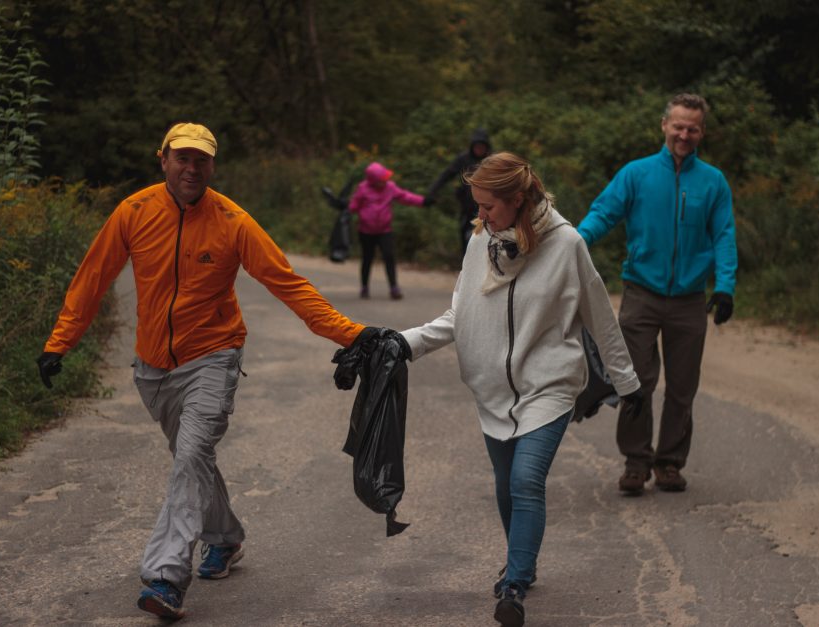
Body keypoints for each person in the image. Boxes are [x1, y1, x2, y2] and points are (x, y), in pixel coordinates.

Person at [35, 122, 368, 620]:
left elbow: (288, 283)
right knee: (193, 461)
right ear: (163, 159)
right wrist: (60, 342)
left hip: (213, 355)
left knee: (190, 456)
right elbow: (93, 276)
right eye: (182, 158)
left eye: (202, 160)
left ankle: (166, 576)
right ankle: (226, 537)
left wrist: (353, 335)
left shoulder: (233, 221)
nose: (192, 169)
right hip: (152, 368)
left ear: (213, 165)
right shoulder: (134, 212)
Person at [397, 152, 643, 627]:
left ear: (516, 199)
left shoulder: (567, 244)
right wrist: (404, 344)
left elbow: (600, 316)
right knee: (506, 485)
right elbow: (459, 315)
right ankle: (521, 565)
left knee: (527, 481)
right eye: (478, 207)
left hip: (548, 385)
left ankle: (514, 583)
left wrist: (626, 383)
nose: (480, 216)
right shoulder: (479, 242)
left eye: (488, 206)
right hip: (492, 391)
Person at [576, 93, 738, 496]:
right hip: (642, 294)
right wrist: (572, 245)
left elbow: (723, 235)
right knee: (636, 381)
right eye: (678, 126)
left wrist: (726, 286)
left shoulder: (713, 181)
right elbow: (603, 213)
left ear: (702, 132)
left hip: (688, 300)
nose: (684, 134)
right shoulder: (637, 174)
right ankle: (636, 462)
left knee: (683, 387)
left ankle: (669, 463)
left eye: (693, 128)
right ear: (664, 125)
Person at [348, 161, 431, 300]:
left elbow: (405, 196)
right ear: (373, 181)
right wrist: (349, 207)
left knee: (389, 256)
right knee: (367, 259)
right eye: (382, 180)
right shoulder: (362, 189)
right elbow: (353, 207)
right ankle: (364, 287)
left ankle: (394, 288)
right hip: (366, 231)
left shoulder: (390, 187)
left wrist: (423, 201)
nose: (385, 181)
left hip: (385, 230)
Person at [426, 128, 492, 257]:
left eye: (482, 147)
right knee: (466, 239)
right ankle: (466, 268)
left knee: (485, 239)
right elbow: (447, 174)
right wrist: (432, 191)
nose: (479, 149)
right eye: (477, 146)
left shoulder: (492, 160)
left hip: (488, 208)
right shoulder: (464, 159)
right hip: (467, 207)